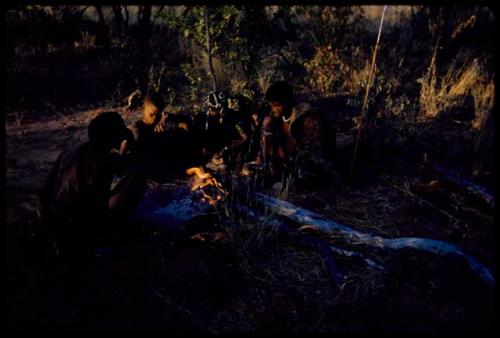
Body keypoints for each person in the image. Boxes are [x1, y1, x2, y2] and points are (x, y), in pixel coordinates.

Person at [38, 111, 146, 260]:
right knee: (137, 180)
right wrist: (130, 143)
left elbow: (44, 192)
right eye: (118, 134)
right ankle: (110, 234)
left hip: (56, 221)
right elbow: (137, 166)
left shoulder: (72, 150)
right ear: (112, 137)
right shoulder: (104, 159)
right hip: (79, 230)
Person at [258, 81, 334, 184]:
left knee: (307, 176)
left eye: (276, 105)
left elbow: (318, 154)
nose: (272, 109)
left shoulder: (308, 119)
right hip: (291, 162)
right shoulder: (276, 118)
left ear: (286, 102)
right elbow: (269, 147)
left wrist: (294, 169)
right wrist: (266, 130)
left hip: (311, 164)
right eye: (270, 105)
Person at [192, 91, 251, 169]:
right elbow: (197, 142)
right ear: (211, 109)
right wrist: (207, 154)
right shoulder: (200, 119)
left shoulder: (230, 116)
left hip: (227, 153)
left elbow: (244, 138)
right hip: (209, 155)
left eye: (223, 109)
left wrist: (227, 148)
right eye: (218, 110)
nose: (221, 113)